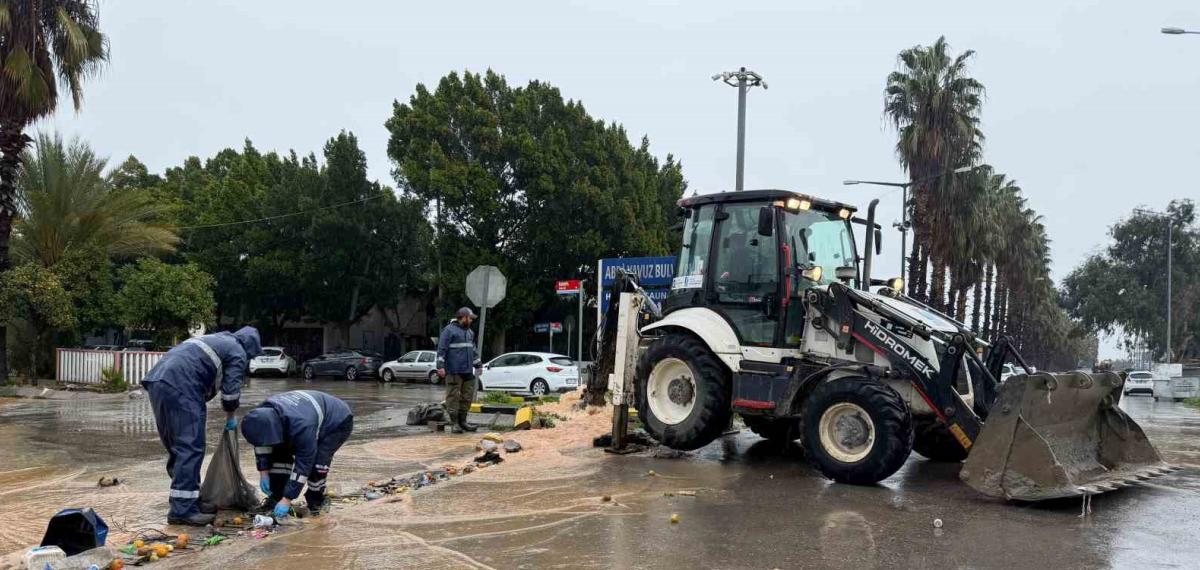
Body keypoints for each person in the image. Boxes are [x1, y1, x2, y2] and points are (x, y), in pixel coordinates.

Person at [141, 326, 262, 526]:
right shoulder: (238, 350)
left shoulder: (218, 339)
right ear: (250, 349)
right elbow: (231, 393)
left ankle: (187, 500)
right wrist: (231, 416)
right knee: (191, 446)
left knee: (178, 446)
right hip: (183, 385)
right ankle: (182, 510)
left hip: (158, 381)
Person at [240, 390, 354, 518]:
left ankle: (316, 500)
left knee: (318, 464)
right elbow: (261, 443)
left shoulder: (302, 426)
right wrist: (264, 472)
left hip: (336, 421)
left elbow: (304, 462)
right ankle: (276, 497)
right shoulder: (260, 416)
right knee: (278, 454)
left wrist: (288, 499)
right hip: (300, 414)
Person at [437, 307, 483, 434]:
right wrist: (440, 366)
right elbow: (442, 349)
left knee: (467, 396)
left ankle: (463, 422)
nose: (472, 320)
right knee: (453, 397)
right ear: (463, 317)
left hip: (467, 370)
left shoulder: (469, 332)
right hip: (454, 370)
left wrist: (478, 364)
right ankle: (454, 424)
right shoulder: (449, 331)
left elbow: (473, 350)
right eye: (470, 318)